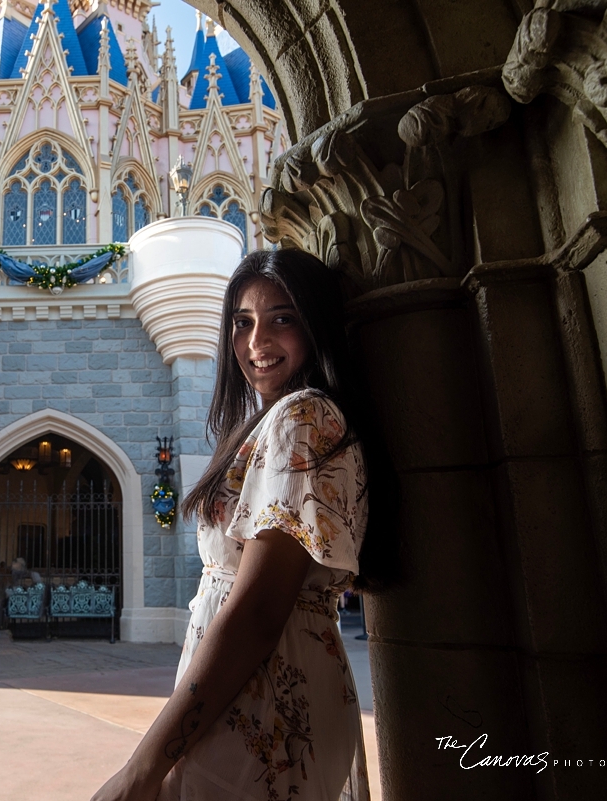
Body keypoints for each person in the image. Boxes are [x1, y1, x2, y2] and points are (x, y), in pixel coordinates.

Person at [92, 249, 396, 801]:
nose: (257, 343)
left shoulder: (303, 417)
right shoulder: (279, 419)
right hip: (260, 686)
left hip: (264, 695)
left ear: (317, 323)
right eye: (243, 322)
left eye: (283, 318)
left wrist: (140, 769)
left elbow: (257, 611)